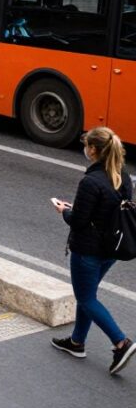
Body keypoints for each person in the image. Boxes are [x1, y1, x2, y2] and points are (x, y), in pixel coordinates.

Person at [51, 127, 136, 374]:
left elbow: (78, 221)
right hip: (111, 250)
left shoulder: (91, 181)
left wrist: (64, 210)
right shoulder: (122, 174)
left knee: (86, 297)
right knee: (87, 294)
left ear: (94, 150)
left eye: (87, 145)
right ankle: (77, 342)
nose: (85, 149)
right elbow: (107, 211)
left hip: (87, 251)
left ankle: (121, 342)